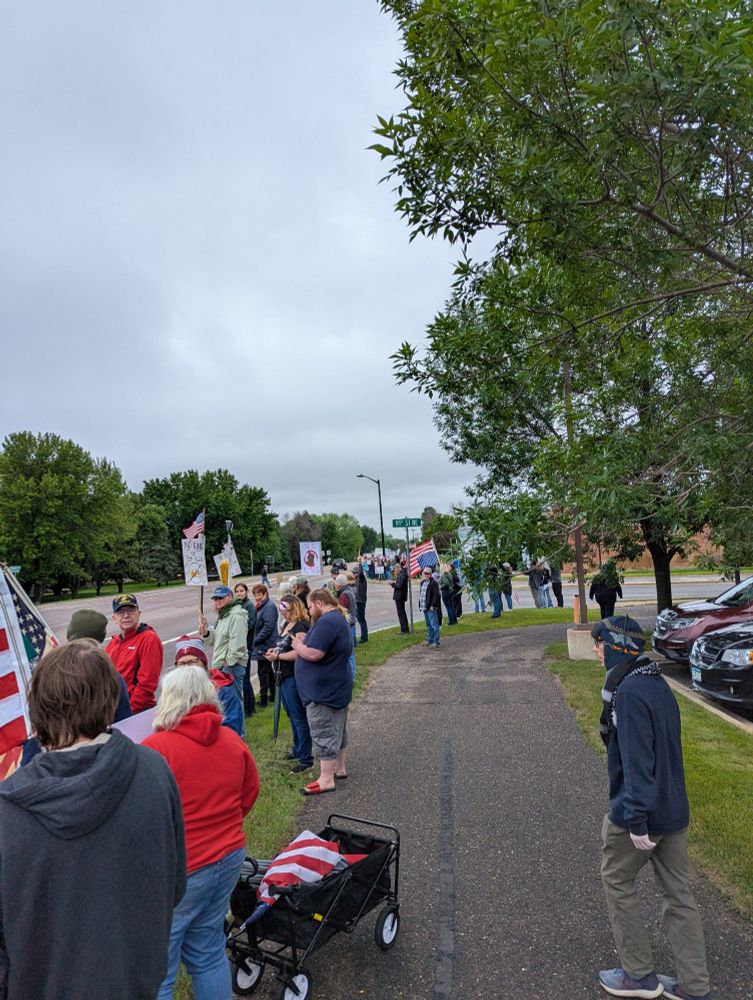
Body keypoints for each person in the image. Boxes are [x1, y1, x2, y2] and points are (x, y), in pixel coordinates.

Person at [0, 641, 186, 1000]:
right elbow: (174, 885)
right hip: (136, 982)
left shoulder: (8, 812)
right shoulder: (154, 770)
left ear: (38, 707)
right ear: (110, 699)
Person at [592, 616, 711, 1000]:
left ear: (614, 646)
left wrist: (637, 821)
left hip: (641, 813)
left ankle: (639, 974)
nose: (596, 650)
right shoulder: (656, 682)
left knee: (617, 880)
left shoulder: (627, 694)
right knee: (679, 895)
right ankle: (695, 987)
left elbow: (638, 762)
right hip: (674, 808)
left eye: (599, 643)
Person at [144, 666, 259, 1000]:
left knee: (159, 972)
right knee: (208, 952)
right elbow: (249, 792)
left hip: (184, 868)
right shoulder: (232, 739)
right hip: (229, 855)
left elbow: (147, 818)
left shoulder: (156, 748)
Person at [291, 589, 353, 795]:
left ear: (319, 603)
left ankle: (326, 778)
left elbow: (314, 653)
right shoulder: (338, 619)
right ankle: (339, 768)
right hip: (335, 686)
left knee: (324, 730)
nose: (309, 612)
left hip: (323, 691)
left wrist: (298, 645)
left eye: (309, 607)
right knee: (338, 730)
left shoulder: (327, 622)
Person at [265, 595, 313, 774]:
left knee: (299, 716)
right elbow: (283, 645)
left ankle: (306, 758)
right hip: (282, 675)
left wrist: (278, 656)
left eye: (285, 611)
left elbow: (298, 652)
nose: (283, 614)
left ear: (293, 608)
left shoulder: (301, 626)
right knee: (292, 715)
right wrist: (274, 650)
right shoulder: (287, 625)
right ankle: (298, 748)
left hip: (293, 675)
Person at [173, 635, 245, 737]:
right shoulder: (173, 693)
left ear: (204, 663)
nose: (187, 668)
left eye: (192, 662)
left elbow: (233, 730)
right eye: (182, 663)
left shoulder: (223, 690)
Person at [106, 593, 164, 711]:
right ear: (114, 618)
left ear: (139, 613)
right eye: (121, 612)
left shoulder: (148, 639)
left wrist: (128, 713)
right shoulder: (113, 643)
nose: (126, 615)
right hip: (113, 708)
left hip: (135, 710)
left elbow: (147, 684)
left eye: (131, 610)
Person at [198, 584, 248, 706]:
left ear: (230, 597)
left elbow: (238, 644)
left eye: (221, 598)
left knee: (233, 703)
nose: (218, 601)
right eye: (215, 599)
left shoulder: (236, 615)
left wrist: (227, 664)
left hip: (231, 667)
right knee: (225, 704)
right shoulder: (224, 615)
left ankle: (237, 726)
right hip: (222, 666)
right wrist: (206, 633)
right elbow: (215, 641)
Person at [251, 583, 279, 707]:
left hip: (266, 644)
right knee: (268, 671)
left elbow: (268, 627)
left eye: (259, 595)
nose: (257, 597)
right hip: (264, 644)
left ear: (265, 594)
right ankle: (273, 695)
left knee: (263, 672)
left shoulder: (269, 607)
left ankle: (264, 700)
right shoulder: (262, 606)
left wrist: (256, 640)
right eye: (255, 595)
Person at [234, 582, 257, 717]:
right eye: (237, 591)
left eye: (241, 591)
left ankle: (249, 708)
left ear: (246, 592)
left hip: (246, 646)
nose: (239, 593)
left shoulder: (249, 606)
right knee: (242, 678)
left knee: (245, 678)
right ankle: (248, 706)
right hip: (241, 645)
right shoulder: (237, 605)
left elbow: (250, 624)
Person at [334, 573, 358, 681]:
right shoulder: (349, 591)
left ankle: (351, 678)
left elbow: (341, 610)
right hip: (351, 624)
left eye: (336, 584)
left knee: (349, 655)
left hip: (348, 625)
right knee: (350, 653)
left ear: (339, 585)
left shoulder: (344, 595)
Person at [419, 566, 441, 647]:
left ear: (431, 574)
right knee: (428, 625)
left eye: (427, 573)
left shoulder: (434, 583)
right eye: (425, 573)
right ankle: (430, 640)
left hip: (430, 607)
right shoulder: (422, 582)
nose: (426, 575)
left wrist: (433, 605)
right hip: (424, 607)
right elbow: (422, 594)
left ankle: (436, 641)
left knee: (434, 625)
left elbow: (436, 595)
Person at [390, 558, 410, 632]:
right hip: (401, 596)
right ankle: (404, 628)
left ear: (398, 569)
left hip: (399, 596)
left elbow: (399, 586)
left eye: (395, 570)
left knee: (401, 613)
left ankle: (404, 629)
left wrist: (392, 584)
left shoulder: (401, 575)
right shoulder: (403, 575)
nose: (395, 572)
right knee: (402, 613)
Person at [353, 561, 369, 644]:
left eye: (354, 572)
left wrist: (359, 563)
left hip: (360, 602)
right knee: (360, 619)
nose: (353, 574)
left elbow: (361, 572)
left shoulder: (361, 578)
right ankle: (364, 636)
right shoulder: (356, 580)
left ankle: (364, 637)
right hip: (357, 601)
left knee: (362, 620)